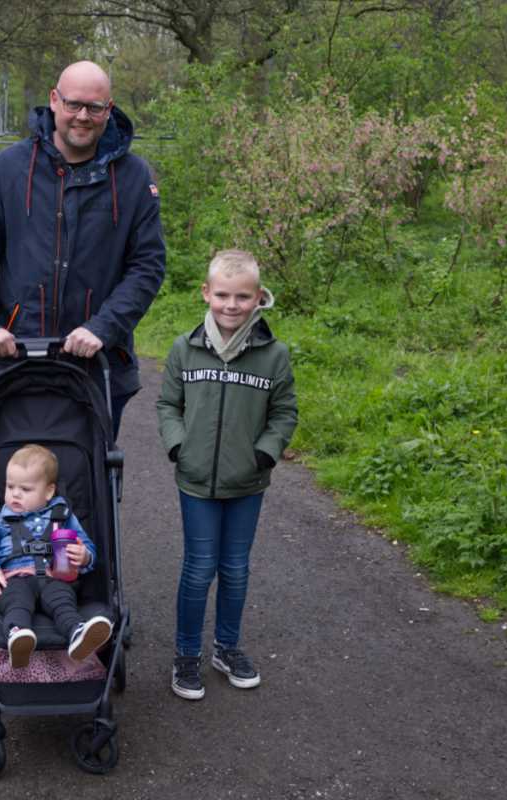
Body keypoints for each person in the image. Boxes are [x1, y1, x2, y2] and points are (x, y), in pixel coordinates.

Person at [0, 60, 166, 435]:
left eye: (95, 108)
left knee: (90, 482)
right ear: (54, 100)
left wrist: (103, 327)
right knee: (19, 487)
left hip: (99, 365)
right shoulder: (7, 171)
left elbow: (147, 266)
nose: (83, 116)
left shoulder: (134, 179)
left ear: (109, 108)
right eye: (73, 104)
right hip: (18, 362)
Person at [155, 250, 298, 700]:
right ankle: (186, 654)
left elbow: (284, 413)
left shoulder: (273, 356)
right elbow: (167, 405)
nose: (231, 305)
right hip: (195, 481)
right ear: (206, 293)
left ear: (258, 298)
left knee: (235, 568)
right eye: (222, 295)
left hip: (246, 484)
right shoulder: (185, 348)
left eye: (241, 297)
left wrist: (265, 454)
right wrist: (179, 445)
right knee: (198, 570)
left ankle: (227, 647)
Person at [0, 444, 113, 668]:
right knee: (17, 601)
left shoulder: (62, 516)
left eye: (26, 489)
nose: (15, 494)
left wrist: (84, 555)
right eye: (10, 486)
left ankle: (77, 634)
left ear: (49, 492)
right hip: (12, 578)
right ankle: (18, 637)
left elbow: (86, 545)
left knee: (62, 600)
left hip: (53, 576)